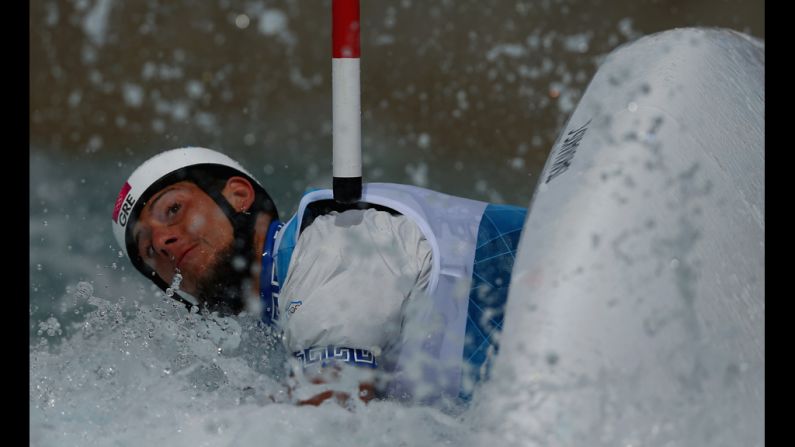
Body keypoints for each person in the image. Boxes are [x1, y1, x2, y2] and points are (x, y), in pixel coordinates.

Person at [111, 147, 527, 407]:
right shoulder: (278, 325)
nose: (163, 241)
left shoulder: (336, 245)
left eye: (173, 210)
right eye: (149, 252)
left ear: (238, 195)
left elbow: (330, 425)